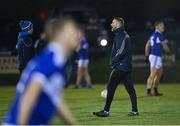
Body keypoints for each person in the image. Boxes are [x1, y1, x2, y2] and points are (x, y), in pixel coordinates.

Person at [3, 17, 80, 125]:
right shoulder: (51, 60)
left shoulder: (56, 58)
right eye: (71, 31)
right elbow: (28, 97)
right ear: (60, 35)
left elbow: (56, 101)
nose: (77, 34)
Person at [93, 17, 138, 117]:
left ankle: (106, 111)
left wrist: (113, 61)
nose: (111, 24)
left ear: (118, 24)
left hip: (121, 66)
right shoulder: (120, 34)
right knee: (131, 90)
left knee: (110, 87)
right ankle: (135, 111)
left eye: (113, 22)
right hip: (125, 67)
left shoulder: (121, 35)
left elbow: (121, 51)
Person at [145, 21, 170, 96]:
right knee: (153, 74)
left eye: (163, 26)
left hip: (156, 56)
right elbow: (165, 45)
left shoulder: (153, 35)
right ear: (157, 27)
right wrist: (168, 52)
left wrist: (146, 56)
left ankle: (155, 90)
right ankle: (148, 91)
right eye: (161, 26)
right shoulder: (159, 35)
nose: (163, 27)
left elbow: (147, 45)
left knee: (159, 74)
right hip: (155, 56)